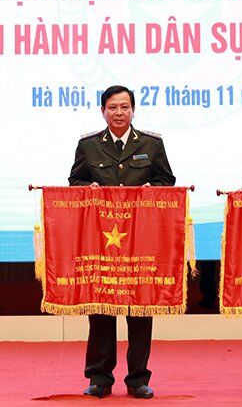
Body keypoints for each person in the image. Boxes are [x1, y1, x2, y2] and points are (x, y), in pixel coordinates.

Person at [68, 85, 176, 400]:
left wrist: (151, 190)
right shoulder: (89, 145)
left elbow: (166, 181)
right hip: (103, 241)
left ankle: (138, 379)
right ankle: (99, 379)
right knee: (101, 309)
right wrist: (87, 188)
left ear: (133, 110)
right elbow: (74, 182)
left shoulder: (151, 144)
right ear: (103, 111)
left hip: (141, 239)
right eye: (113, 107)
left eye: (125, 107)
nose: (119, 113)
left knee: (140, 308)